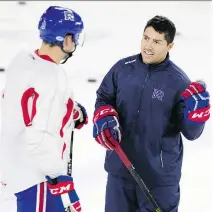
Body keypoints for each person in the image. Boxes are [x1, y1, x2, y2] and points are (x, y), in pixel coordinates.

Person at [92, 15, 210, 212]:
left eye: (156, 41)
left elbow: (192, 133)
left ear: (170, 45)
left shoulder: (178, 82)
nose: (148, 46)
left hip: (158, 179)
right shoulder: (122, 69)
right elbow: (104, 97)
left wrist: (196, 117)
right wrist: (104, 115)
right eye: (145, 38)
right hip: (120, 169)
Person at [0, 6, 88, 212]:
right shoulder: (51, 77)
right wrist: (58, 174)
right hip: (38, 176)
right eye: (74, 37)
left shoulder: (23, 61)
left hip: (18, 167)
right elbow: (38, 135)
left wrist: (68, 111)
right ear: (66, 40)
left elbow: (26, 104)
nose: (75, 43)